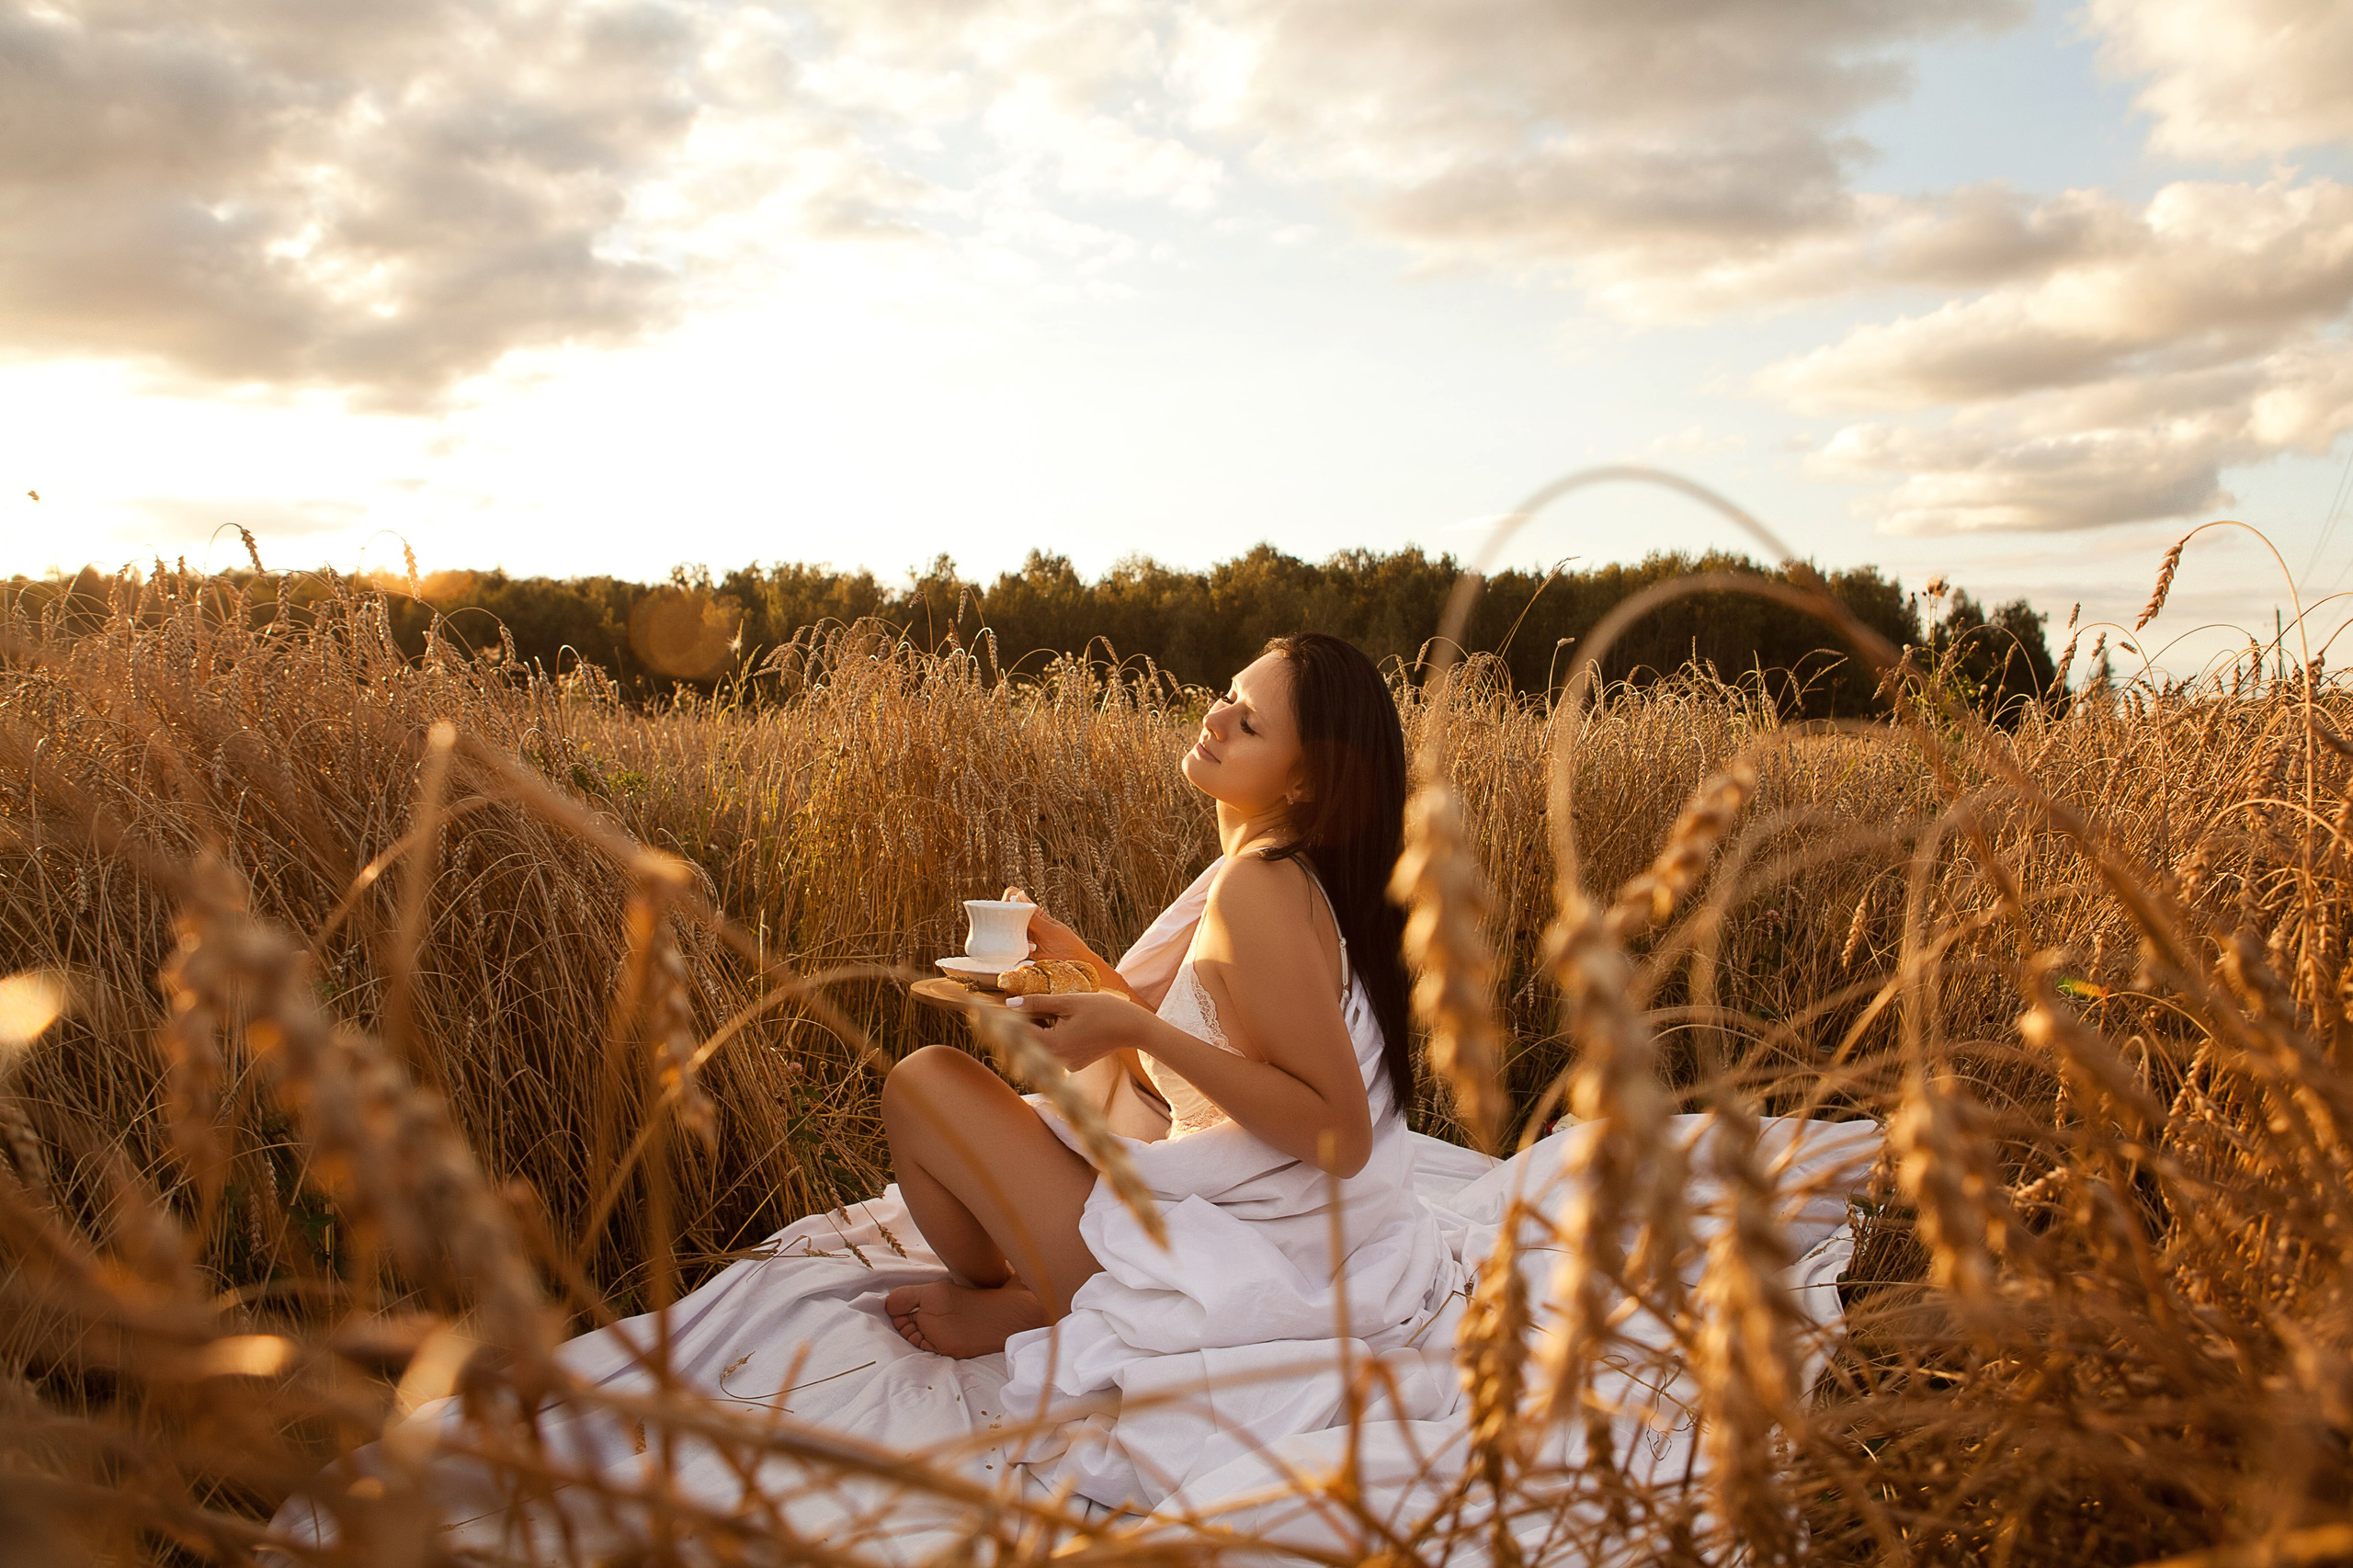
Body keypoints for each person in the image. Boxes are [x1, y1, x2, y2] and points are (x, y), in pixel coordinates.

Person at [878, 631, 1427, 1359]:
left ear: (1305, 784)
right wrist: (1086, 975)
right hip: (1252, 1233)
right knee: (981, 1105)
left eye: (1250, 722)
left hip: (1212, 1266)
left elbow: (1342, 1137)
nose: (1217, 718)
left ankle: (1027, 1295)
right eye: (1230, 694)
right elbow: (1215, 1088)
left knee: (922, 1086)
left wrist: (1140, 1030)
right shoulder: (1282, 876)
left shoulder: (1258, 886)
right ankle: (1038, 1290)